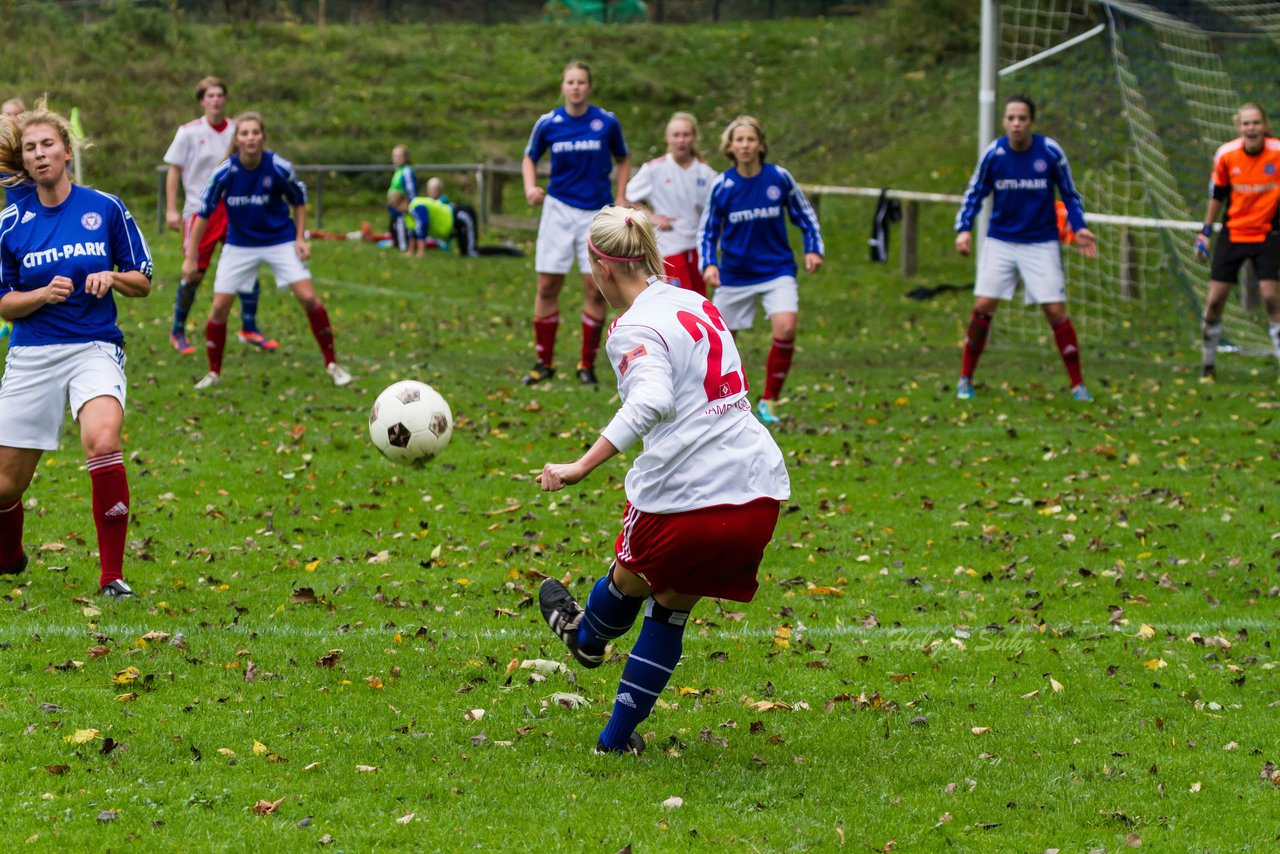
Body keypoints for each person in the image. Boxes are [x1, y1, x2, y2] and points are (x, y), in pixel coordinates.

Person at [535, 206, 789, 755]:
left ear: (603, 266)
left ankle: (583, 637)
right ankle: (614, 741)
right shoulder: (696, 301)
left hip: (686, 494)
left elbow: (653, 398)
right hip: (755, 489)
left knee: (628, 581)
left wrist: (581, 465)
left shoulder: (632, 328)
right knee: (671, 604)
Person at [0, 100, 153, 598]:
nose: (40, 154)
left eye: (48, 145)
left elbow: (143, 280)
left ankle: (112, 577)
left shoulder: (104, 207)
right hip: (32, 354)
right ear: (23, 161)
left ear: (67, 151)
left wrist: (113, 276)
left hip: (94, 347)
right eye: (30, 148)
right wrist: (41, 295)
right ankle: (8, 555)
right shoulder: (10, 222)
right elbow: (5, 303)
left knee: (104, 442)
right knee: (4, 487)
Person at [183, 112, 352, 389]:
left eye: (255, 133)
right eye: (244, 133)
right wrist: (191, 257)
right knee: (219, 307)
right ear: (237, 140)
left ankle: (333, 364)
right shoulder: (225, 172)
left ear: (263, 137)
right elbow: (203, 214)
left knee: (309, 298)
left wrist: (299, 238)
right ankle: (214, 372)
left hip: (279, 240)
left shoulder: (278, 167)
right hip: (239, 244)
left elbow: (298, 200)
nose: (250, 138)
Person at [954, 94, 1098, 402]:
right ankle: (965, 378)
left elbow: (1070, 194)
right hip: (1001, 241)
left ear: (1031, 121)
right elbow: (975, 192)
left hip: (1041, 242)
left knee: (1056, 311)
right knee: (982, 307)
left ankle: (1077, 384)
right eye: (1011, 118)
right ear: (1005, 121)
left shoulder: (1049, 152)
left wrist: (1079, 226)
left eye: (1022, 118)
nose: (1016, 124)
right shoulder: (994, 154)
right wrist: (963, 229)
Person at [697, 115, 824, 425]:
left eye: (750, 139)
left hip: (776, 270)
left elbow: (805, 215)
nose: (745, 145)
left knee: (786, 328)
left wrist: (813, 249)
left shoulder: (778, 178)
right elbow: (707, 232)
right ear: (730, 146)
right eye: (739, 140)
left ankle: (769, 400)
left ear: (761, 145)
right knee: (721, 342)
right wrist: (709, 264)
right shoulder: (722, 185)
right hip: (735, 275)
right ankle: (720, 402)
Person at [521, 60, 630, 385]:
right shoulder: (548, 122)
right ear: (562, 87)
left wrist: (621, 197)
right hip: (557, 209)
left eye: (581, 81)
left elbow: (623, 158)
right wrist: (530, 187)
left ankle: (587, 365)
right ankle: (543, 363)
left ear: (589, 87)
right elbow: (530, 156)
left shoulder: (606, 122)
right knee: (546, 285)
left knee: (595, 288)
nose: (576, 87)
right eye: (570, 82)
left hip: (594, 213)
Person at [163, 77, 275, 356]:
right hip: (199, 211)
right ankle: (177, 331)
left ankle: (249, 327)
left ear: (225, 99)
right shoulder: (188, 132)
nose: (215, 100)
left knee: (247, 266)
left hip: (235, 210)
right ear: (202, 101)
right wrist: (171, 209)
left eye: (220, 95)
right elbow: (174, 171)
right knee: (193, 272)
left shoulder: (240, 131)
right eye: (209, 95)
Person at [1195, 102, 1280, 379]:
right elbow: (1217, 195)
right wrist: (1205, 233)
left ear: (1265, 126)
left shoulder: (1277, 153)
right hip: (1234, 234)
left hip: (1267, 234)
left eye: (1256, 123)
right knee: (1215, 300)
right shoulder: (1226, 155)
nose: (1251, 128)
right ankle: (1208, 366)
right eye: (1246, 124)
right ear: (1238, 127)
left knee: (1270, 297)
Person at [624, 111, 718, 295]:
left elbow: (715, 211)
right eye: (676, 135)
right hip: (670, 247)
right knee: (678, 299)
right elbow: (627, 199)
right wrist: (652, 217)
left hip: (697, 247)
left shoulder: (706, 174)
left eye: (686, 135)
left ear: (695, 138)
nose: (681, 140)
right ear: (667, 138)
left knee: (699, 299)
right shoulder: (655, 169)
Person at [388, 190, 479, 257]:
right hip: (452, 225)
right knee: (465, 253)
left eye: (397, 207)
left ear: (404, 201)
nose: (397, 210)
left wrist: (421, 253)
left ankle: (492, 251)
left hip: (460, 215)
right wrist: (410, 252)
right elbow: (412, 233)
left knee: (471, 253)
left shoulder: (417, 206)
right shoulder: (407, 214)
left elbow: (422, 228)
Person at [387, 144, 417, 253]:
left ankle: (403, 247)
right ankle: (397, 244)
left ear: (406, 158)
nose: (396, 159)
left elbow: (411, 190)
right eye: (394, 156)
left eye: (399, 156)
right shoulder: (398, 170)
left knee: (401, 225)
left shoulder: (407, 171)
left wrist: (408, 204)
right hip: (394, 205)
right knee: (393, 225)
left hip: (402, 205)